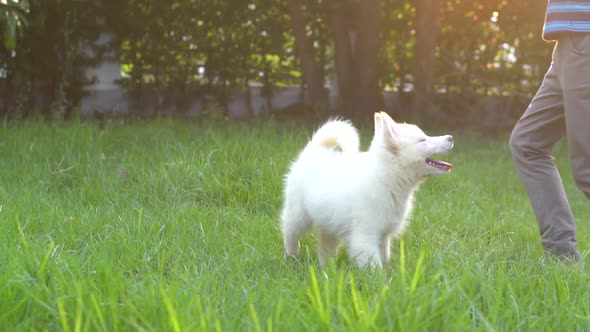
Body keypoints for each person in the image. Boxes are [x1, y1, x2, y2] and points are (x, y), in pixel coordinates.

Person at [509, 0, 590, 261]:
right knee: (528, 143)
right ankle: (562, 256)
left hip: (584, 38)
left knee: (587, 167)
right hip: (568, 44)